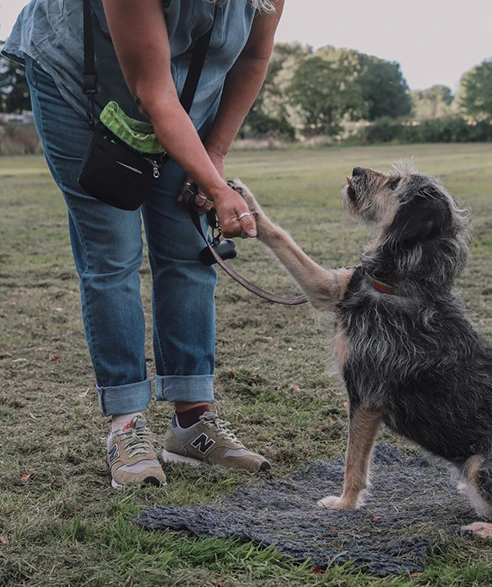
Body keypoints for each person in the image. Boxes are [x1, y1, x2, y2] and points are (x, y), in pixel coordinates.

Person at [2, 0, 283, 488]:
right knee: (112, 254)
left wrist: (213, 156)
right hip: (80, 86)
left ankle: (192, 424)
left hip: (184, 99)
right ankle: (126, 425)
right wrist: (220, 191)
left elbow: (254, 58)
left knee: (189, 250)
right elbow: (152, 90)